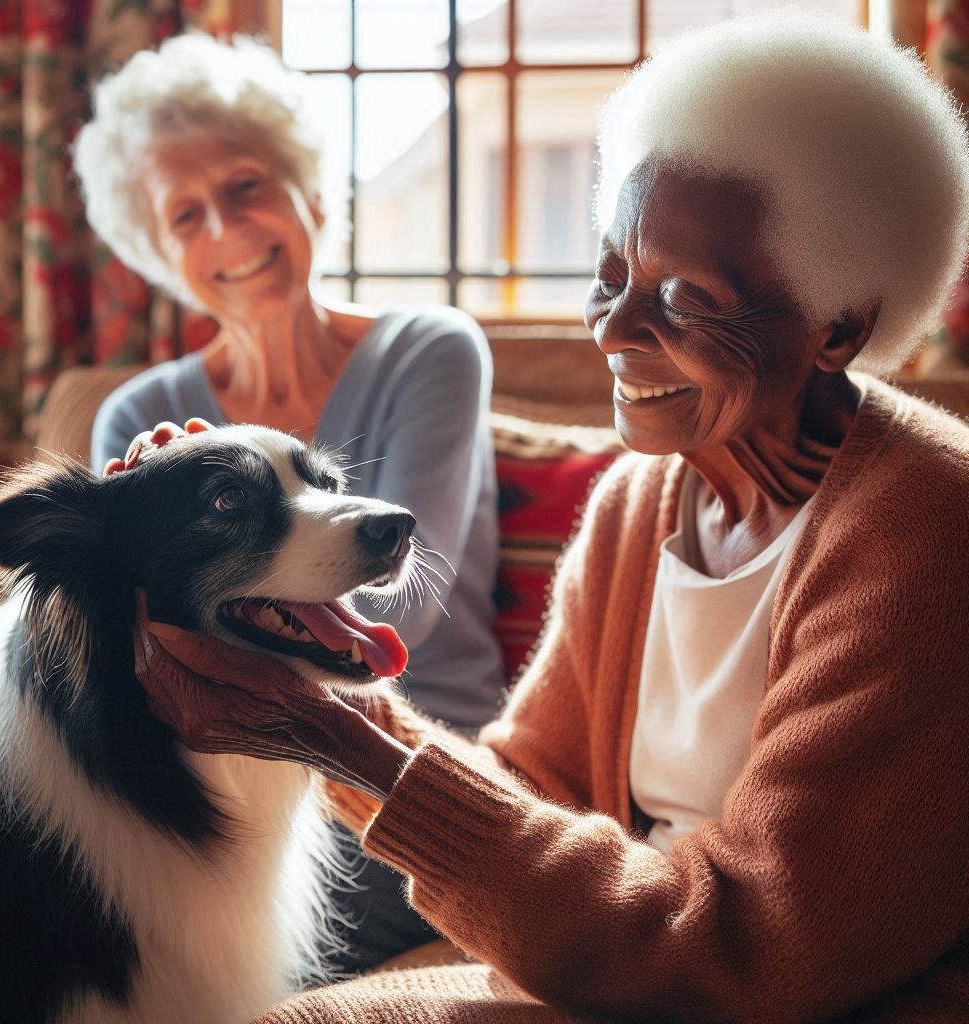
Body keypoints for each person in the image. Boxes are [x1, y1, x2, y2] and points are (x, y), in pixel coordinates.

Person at [127, 14, 969, 1023]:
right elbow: (537, 783)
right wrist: (315, 695)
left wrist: (346, 743)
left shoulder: (925, 536)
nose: (612, 328)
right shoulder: (645, 497)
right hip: (638, 960)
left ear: (838, 323)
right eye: (611, 274)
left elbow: (750, 954)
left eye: (686, 297)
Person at [73, 32, 507, 974]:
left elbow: (403, 610)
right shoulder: (140, 416)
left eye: (245, 187)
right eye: (185, 216)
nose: (225, 233)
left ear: (310, 191)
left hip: (405, 773)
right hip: (220, 786)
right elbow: (138, 655)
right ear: (159, 252)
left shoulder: (432, 350)